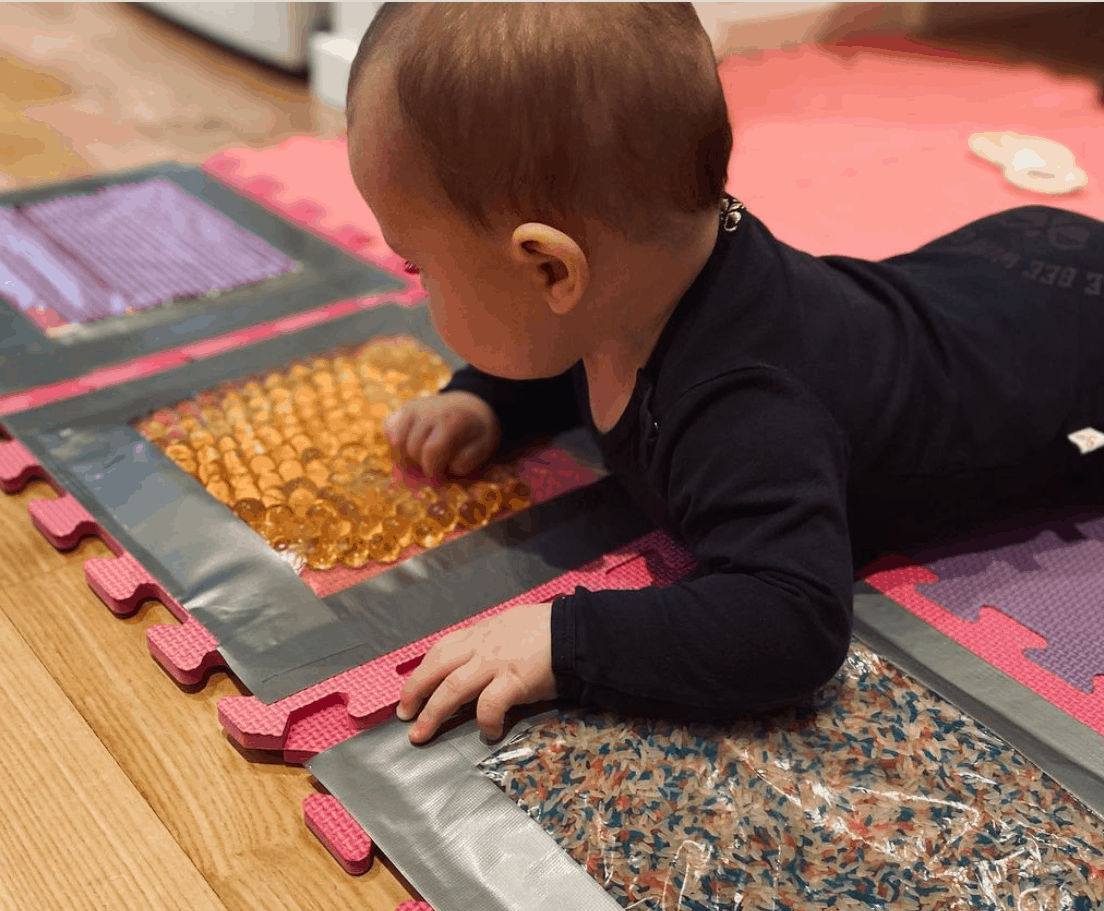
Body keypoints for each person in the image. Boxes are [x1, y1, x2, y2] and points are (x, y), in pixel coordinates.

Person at [346, 2, 1104, 745]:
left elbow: (788, 618)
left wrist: (564, 641)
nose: (415, 283)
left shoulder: (745, 408)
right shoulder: (636, 282)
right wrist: (487, 399)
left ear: (550, 267)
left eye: (417, 265)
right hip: (997, 263)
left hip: (1071, 322)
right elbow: (554, 344)